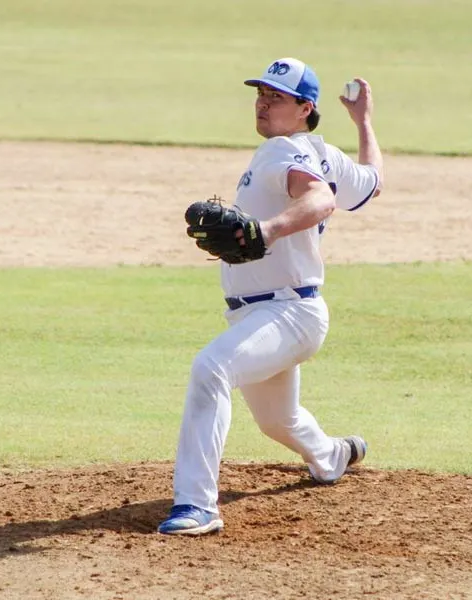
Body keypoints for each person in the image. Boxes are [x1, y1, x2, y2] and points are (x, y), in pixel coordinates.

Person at [159, 57, 385, 535]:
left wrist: (268, 229)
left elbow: (320, 198)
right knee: (278, 420)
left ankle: (197, 506)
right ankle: (332, 456)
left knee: (211, 369)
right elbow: (373, 180)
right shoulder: (325, 154)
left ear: (305, 107)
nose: (262, 103)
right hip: (272, 314)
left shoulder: (283, 151)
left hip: (288, 310)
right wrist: (364, 122)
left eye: (276, 97)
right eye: (260, 93)